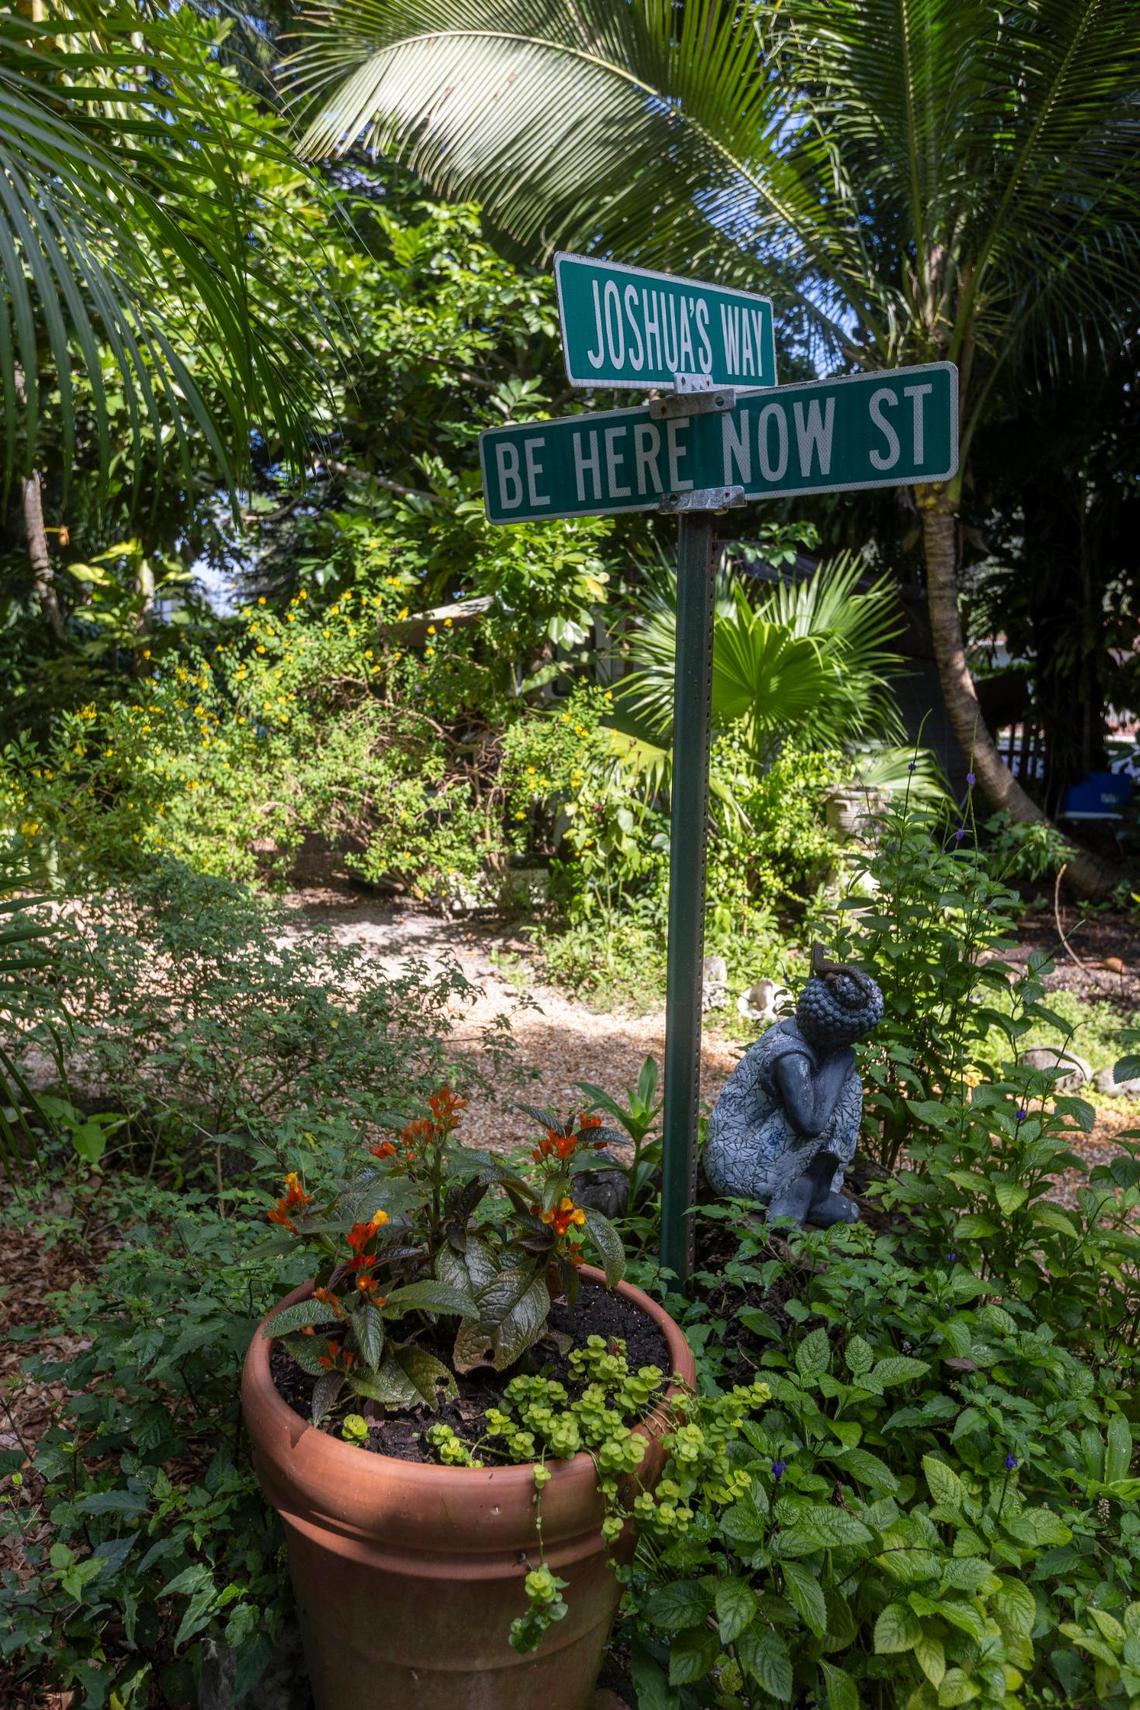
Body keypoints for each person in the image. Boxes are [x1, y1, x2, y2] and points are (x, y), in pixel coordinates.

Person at [704, 946, 883, 1226]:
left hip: (763, 1148)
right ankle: (793, 1202)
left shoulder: (806, 1037)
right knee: (832, 1093)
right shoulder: (791, 1057)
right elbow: (810, 1123)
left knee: (844, 1085)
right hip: (739, 1163)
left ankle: (815, 1192)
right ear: (834, 1030)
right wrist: (841, 1061)